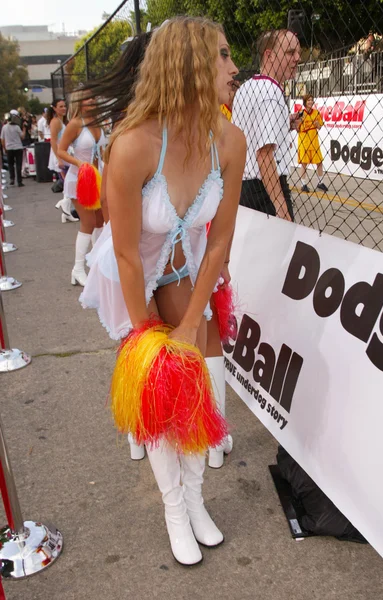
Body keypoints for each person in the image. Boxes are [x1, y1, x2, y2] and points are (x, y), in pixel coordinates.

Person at [80, 16, 246, 565]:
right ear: (191, 64)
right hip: (129, 272)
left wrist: (192, 320)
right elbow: (126, 252)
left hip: (186, 268)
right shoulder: (132, 144)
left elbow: (219, 242)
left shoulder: (229, 140)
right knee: (158, 384)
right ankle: (173, 506)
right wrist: (148, 342)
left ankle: (197, 498)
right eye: (222, 55)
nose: (233, 66)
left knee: (198, 376)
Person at [232, 29, 301, 221]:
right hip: (265, 190)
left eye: (298, 52)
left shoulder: (247, 87)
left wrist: (284, 124)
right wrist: (281, 206)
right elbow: (264, 154)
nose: (297, 58)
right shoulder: (272, 94)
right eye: (290, 52)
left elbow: (251, 135)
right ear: (269, 55)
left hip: (242, 188)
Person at [57, 91, 106, 286]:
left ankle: (97, 265)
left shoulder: (99, 122)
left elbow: (102, 151)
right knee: (88, 222)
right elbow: (61, 150)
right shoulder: (75, 124)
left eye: (94, 97)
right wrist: (79, 163)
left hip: (98, 178)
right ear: (79, 101)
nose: (92, 100)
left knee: (101, 220)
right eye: (88, 98)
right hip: (79, 180)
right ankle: (78, 269)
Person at [297, 94, 328, 193]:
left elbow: (320, 127)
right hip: (304, 142)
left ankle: (320, 182)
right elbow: (297, 129)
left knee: (319, 162)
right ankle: (303, 184)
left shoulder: (316, 112)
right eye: (308, 100)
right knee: (304, 163)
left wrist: (317, 124)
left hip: (314, 141)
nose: (310, 102)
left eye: (311, 100)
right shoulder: (301, 113)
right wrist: (300, 121)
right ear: (305, 102)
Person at [0, 110, 25, 187]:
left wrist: (5, 148)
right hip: (18, 147)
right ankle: (19, 181)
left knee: (11, 164)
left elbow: (2, 139)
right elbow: (22, 137)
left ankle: (12, 179)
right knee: (18, 164)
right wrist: (24, 129)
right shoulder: (17, 127)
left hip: (9, 148)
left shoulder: (4, 127)